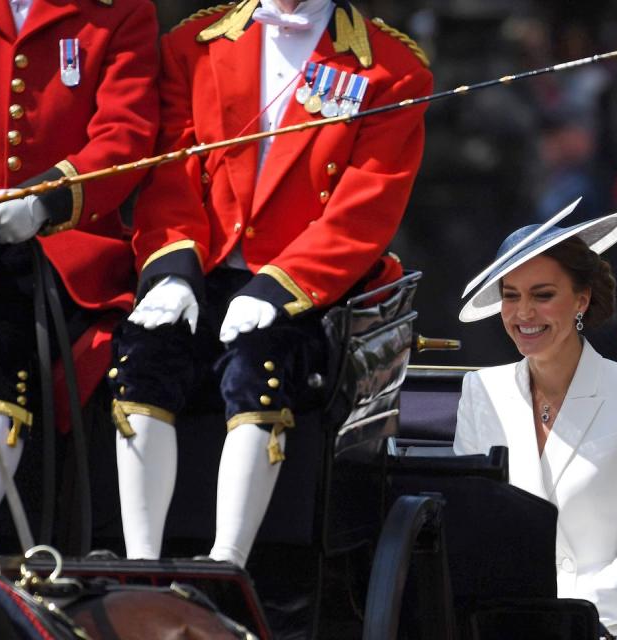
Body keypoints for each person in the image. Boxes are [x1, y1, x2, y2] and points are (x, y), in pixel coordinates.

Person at [108, 0, 432, 563]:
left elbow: (365, 209)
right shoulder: (193, 45)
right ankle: (141, 563)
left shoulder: (392, 68)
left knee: (257, 361)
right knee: (144, 353)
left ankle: (226, 560)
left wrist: (280, 287)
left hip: (307, 286)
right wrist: (171, 271)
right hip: (202, 268)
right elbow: (172, 174)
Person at [0, 0, 159, 537]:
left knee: (8, 341)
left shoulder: (122, 12)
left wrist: (48, 198)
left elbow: (126, 134)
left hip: (54, 244)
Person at [454, 199, 617, 635]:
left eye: (543, 295)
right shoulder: (480, 391)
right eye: (511, 296)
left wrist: (572, 619)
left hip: (608, 625)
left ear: (581, 299)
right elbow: (472, 532)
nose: (523, 314)